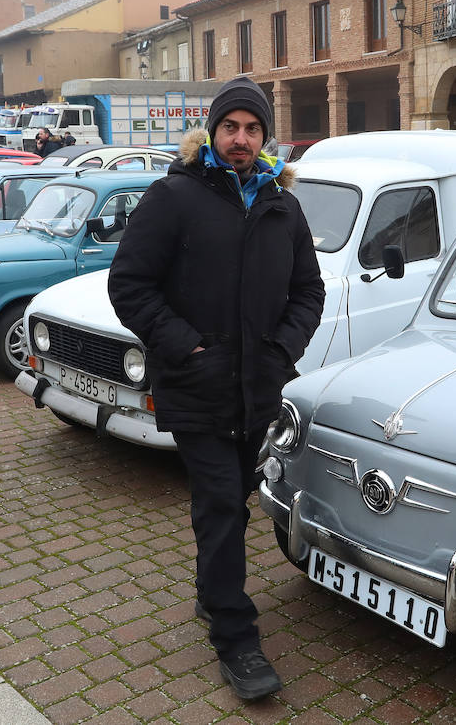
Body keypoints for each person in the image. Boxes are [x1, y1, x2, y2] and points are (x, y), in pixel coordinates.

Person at [108, 76, 324, 702]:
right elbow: (130, 284)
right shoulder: (174, 197)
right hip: (198, 385)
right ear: (211, 131)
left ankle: (211, 595)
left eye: (252, 129)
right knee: (224, 503)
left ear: (264, 137)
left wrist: (282, 349)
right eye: (230, 127)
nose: (241, 139)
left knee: (229, 501)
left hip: (258, 385)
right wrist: (186, 346)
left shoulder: (283, 206)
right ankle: (236, 635)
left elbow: (308, 290)